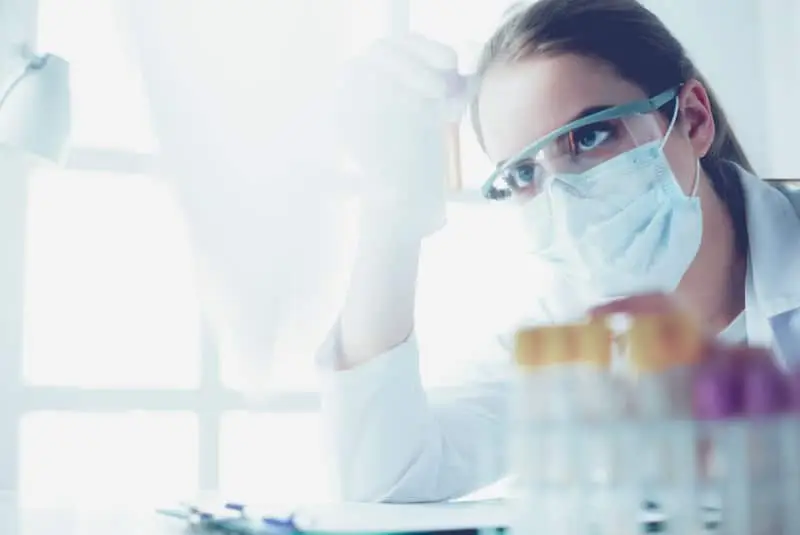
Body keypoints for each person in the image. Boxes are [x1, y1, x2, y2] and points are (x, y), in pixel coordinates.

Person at [316, 0, 800, 503]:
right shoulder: (565, 334)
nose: (564, 199)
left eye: (591, 136)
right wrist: (390, 216)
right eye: (524, 173)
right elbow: (384, 476)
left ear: (693, 120)